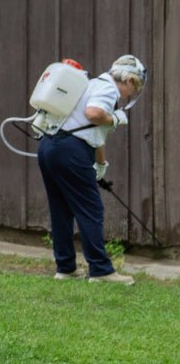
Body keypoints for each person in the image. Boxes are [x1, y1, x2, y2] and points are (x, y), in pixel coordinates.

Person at [37, 55, 147, 284]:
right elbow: (94, 115)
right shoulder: (108, 89)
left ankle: (65, 268)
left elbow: (95, 136)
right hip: (71, 150)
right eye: (134, 87)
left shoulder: (92, 84)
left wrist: (100, 164)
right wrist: (115, 118)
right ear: (128, 80)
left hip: (49, 147)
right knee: (91, 210)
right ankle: (101, 270)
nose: (132, 93)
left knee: (61, 210)